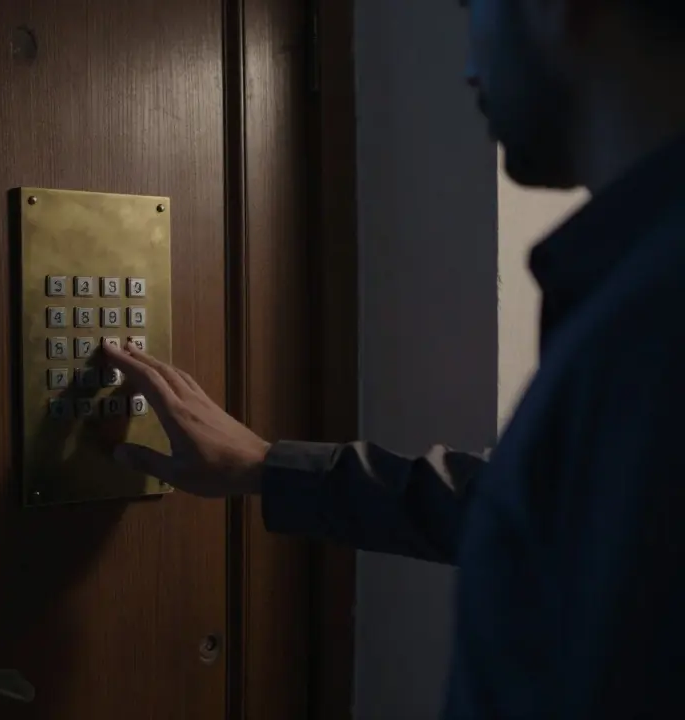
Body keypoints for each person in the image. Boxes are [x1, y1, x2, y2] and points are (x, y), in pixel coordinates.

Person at [100, 0, 685, 717]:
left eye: (475, 10)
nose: (468, 68)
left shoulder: (656, 310)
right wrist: (266, 467)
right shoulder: (636, 282)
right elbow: (530, 510)